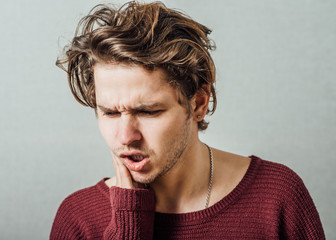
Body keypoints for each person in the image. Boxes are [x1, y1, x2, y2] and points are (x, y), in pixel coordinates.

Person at [50, 1, 325, 239]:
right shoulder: (79, 218)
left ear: (199, 104)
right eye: (110, 113)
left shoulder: (277, 197)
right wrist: (128, 224)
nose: (125, 137)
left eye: (148, 111)